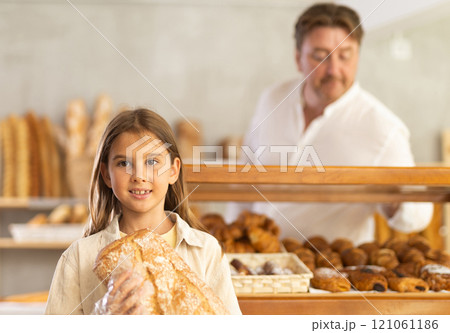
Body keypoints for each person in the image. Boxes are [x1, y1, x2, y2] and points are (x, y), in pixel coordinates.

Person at [226, 3, 433, 244]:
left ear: (358, 56)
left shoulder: (383, 128)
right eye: (320, 56)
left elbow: (419, 215)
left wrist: (393, 200)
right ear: (298, 58)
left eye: (345, 55)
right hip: (259, 263)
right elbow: (245, 176)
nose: (334, 69)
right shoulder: (272, 98)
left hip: (333, 271)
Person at [46, 109, 241, 315]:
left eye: (152, 162)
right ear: (106, 175)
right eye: (124, 163)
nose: (139, 176)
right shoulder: (79, 258)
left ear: (173, 171)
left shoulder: (205, 251)